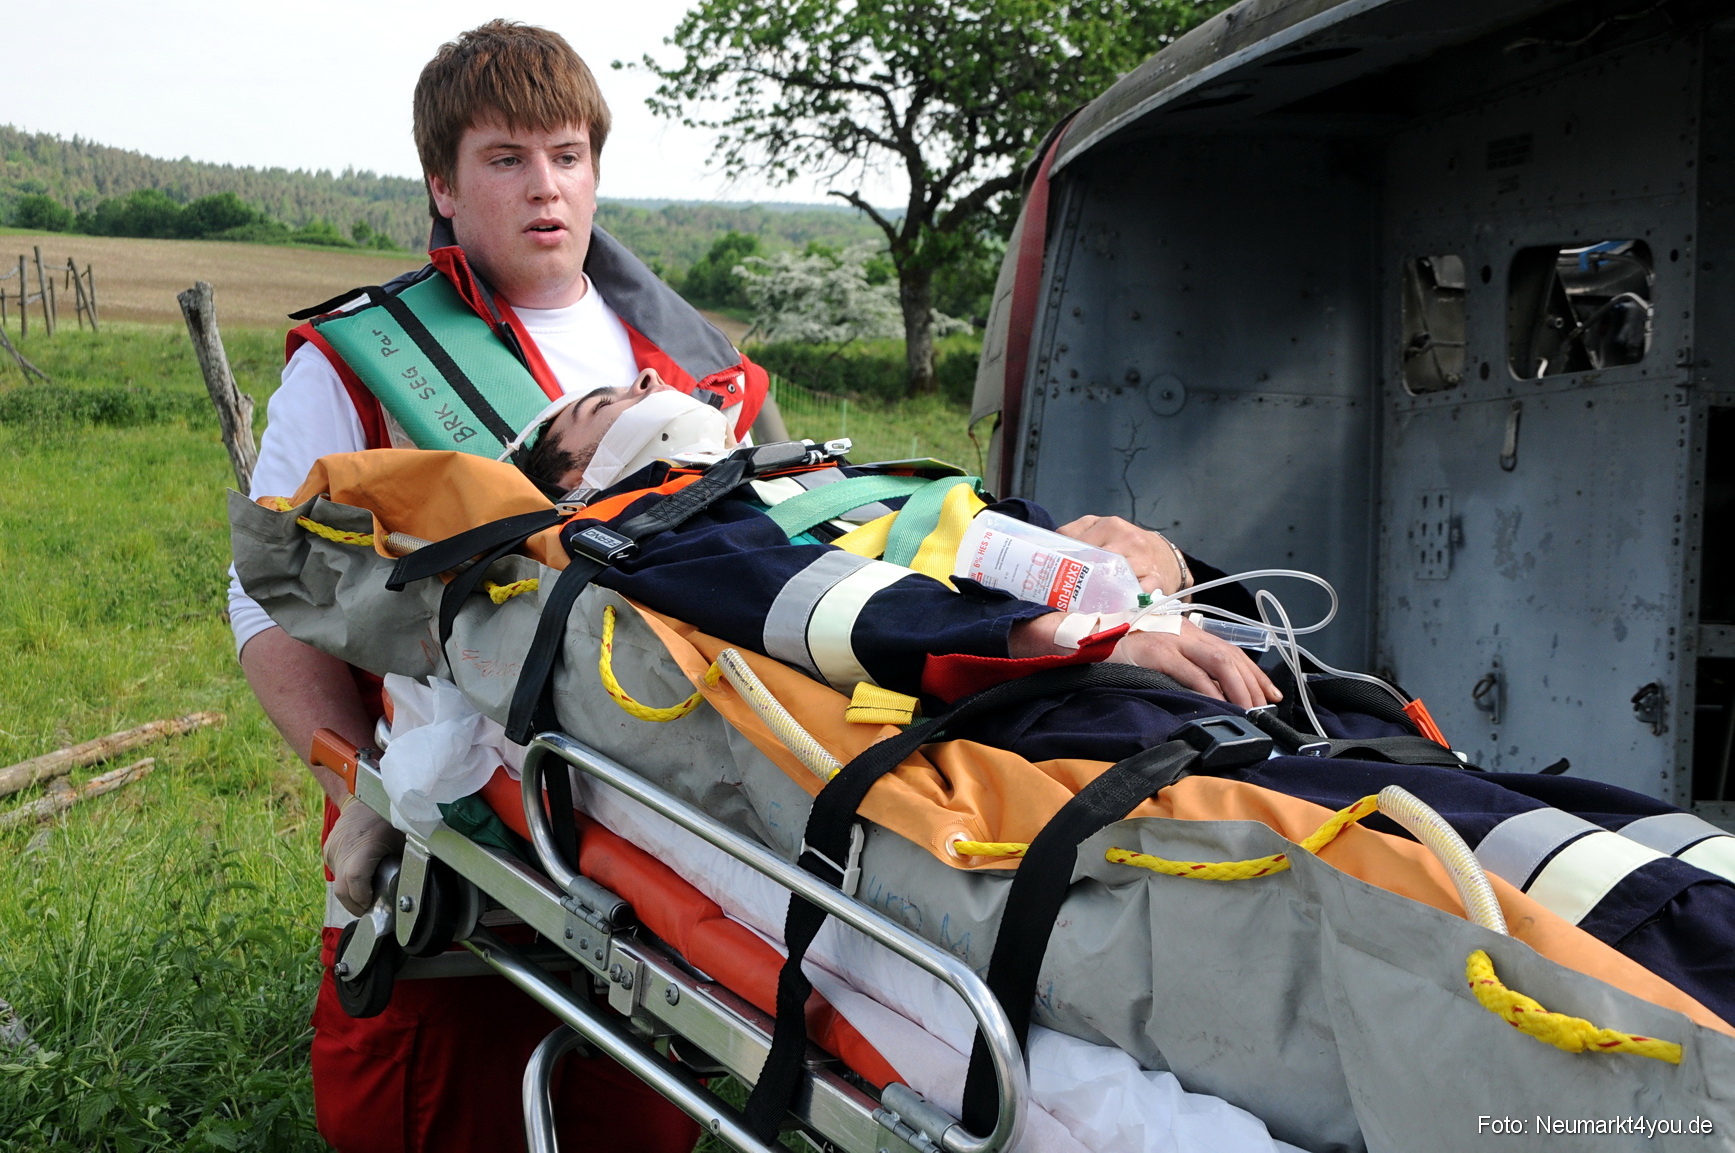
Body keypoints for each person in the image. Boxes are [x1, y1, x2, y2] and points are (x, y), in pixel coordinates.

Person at [228, 21, 773, 1153]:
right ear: (443, 180)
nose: (546, 188)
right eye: (506, 159)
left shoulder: (692, 369)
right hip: (441, 845)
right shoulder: (362, 363)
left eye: (568, 156)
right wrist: (364, 785)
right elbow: (265, 597)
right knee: (427, 1114)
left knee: (630, 1117)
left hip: (661, 860)